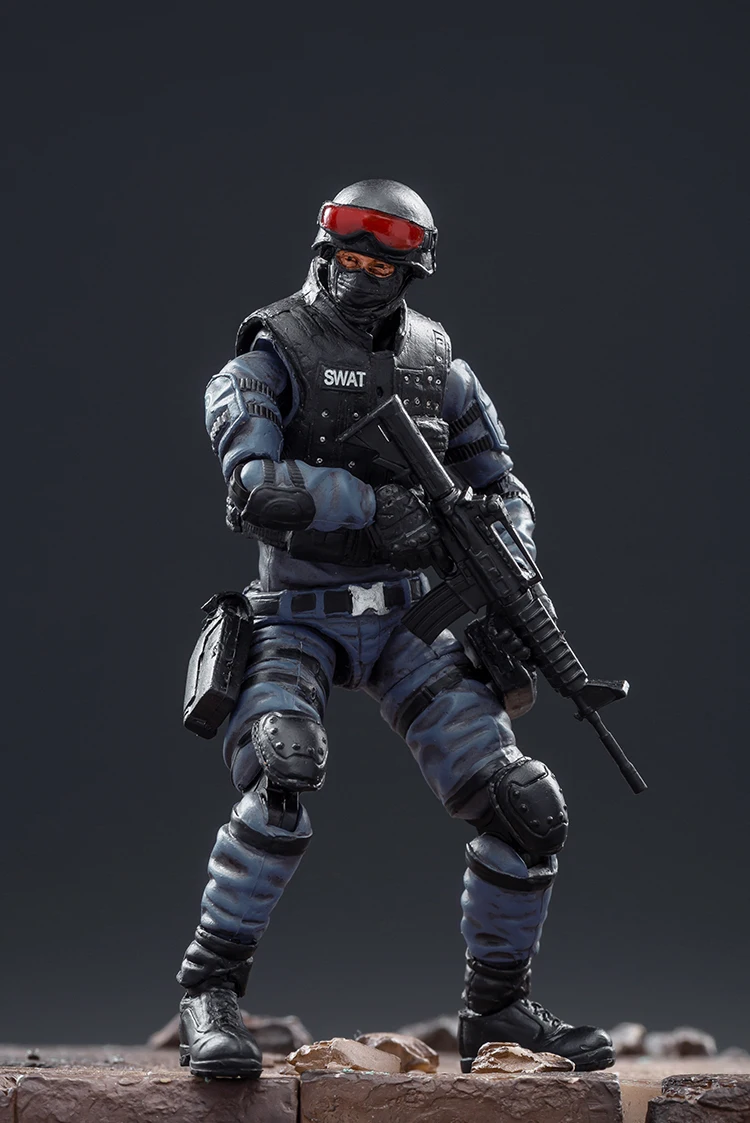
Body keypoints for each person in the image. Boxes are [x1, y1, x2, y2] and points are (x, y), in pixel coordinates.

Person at [176, 179, 615, 1078]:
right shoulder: (267, 356)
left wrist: (506, 561)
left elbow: (501, 483)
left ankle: (497, 1008)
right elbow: (254, 487)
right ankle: (209, 991)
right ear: (323, 253)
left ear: (410, 274)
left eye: (382, 267)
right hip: (296, 614)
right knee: (282, 771)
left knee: (528, 807)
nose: (361, 277)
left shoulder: (439, 367)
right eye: (350, 258)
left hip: (411, 618)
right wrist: (371, 506)